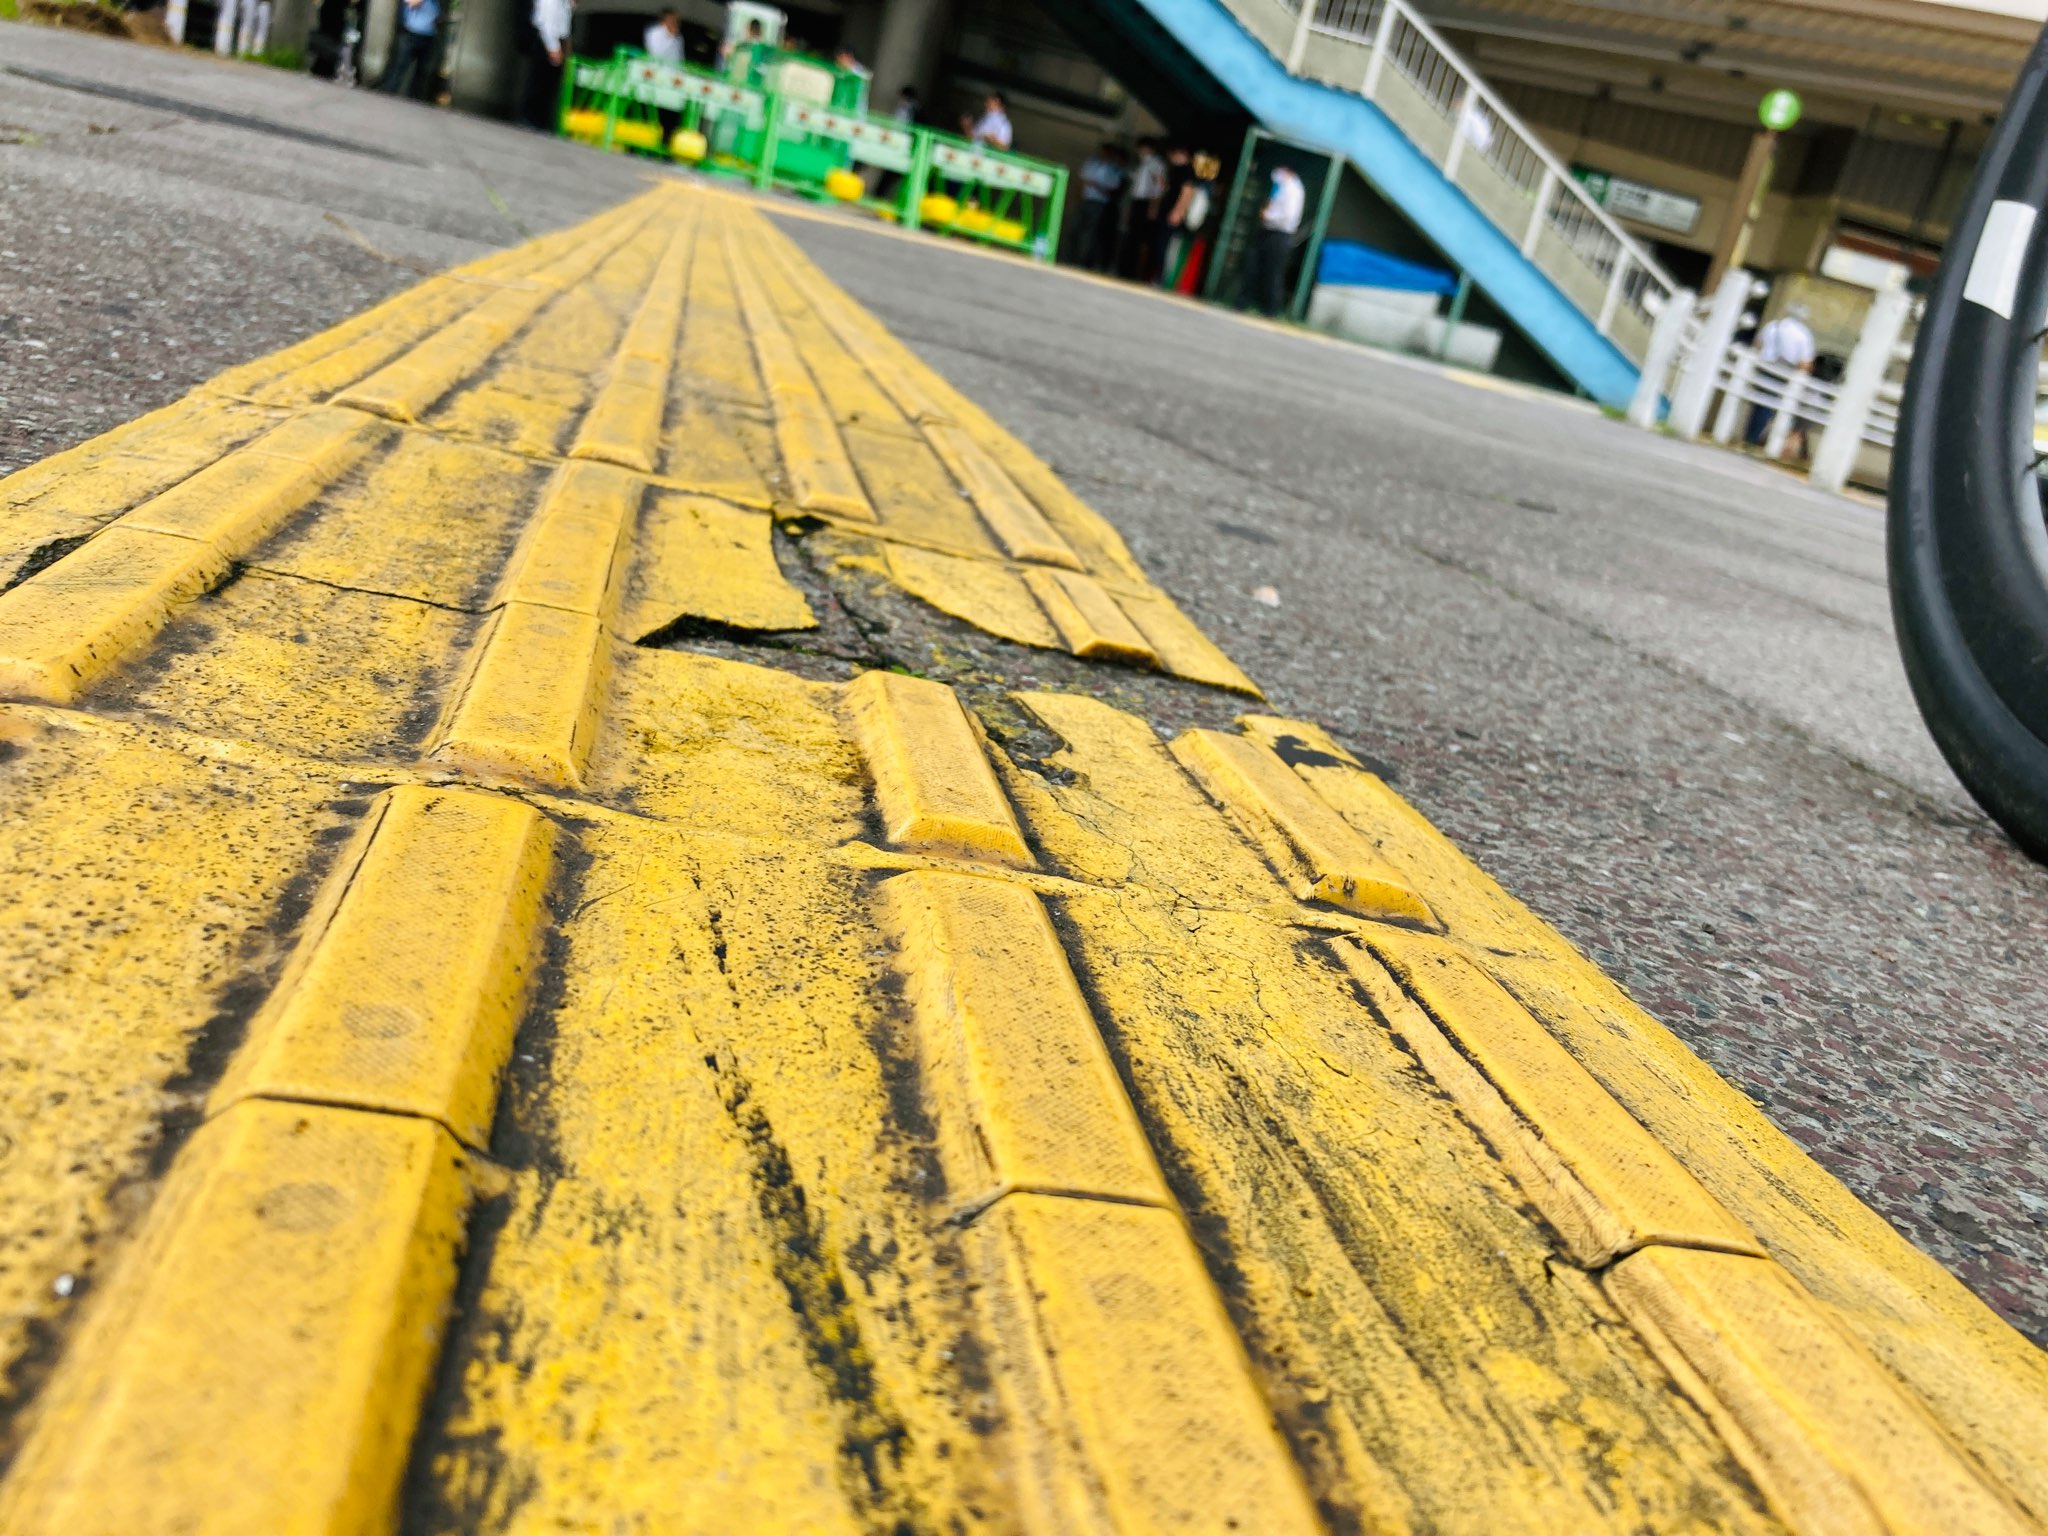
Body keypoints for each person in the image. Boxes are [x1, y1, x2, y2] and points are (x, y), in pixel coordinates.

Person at [1747, 302, 1818, 452]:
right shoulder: (1803, 334)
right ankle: (1756, 440)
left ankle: (1750, 437)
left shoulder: (1773, 325)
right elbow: (1805, 363)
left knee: (1759, 405)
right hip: (1783, 374)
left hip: (1764, 368)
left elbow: (1757, 344)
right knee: (1771, 407)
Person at [1237, 163, 1304, 316]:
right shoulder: (1280, 187)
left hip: (1279, 234)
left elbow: (1288, 216)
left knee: (1273, 272)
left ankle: (1270, 309)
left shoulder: (1294, 189)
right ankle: (1243, 302)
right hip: (1266, 231)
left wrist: (1268, 216)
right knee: (1253, 266)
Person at [1162, 150, 1219, 294]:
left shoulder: (1199, 184)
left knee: (1177, 251)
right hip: (1193, 225)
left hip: (1188, 226)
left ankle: (1171, 281)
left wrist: (1178, 212)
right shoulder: (1208, 186)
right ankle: (1174, 282)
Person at [1075, 142, 1126, 272]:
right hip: (1086, 199)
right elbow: (1081, 181)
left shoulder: (1114, 169)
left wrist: (1096, 185)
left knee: (1091, 234)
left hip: (1100, 203)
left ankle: (1085, 261)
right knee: (1077, 229)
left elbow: (1113, 189)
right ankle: (1075, 258)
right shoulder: (1092, 163)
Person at [521, 0, 572, 130]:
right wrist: (553, 48)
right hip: (546, 41)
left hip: (556, 41)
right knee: (539, 81)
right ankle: (529, 117)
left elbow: (565, 28)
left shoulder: (565, 4)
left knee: (550, 83)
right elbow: (547, 27)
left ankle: (540, 119)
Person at [1122, 138, 1165, 278]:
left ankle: (1138, 272)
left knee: (1142, 239)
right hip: (1137, 201)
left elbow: (1157, 187)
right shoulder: (1141, 164)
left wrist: (1153, 207)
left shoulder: (1155, 164)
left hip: (1147, 202)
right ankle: (1127, 268)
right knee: (1131, 236)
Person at [379, 0, 438, 98]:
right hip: (413, 33)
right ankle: (388, 93)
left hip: (428, 35)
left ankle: (414, 97)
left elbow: (436, 15)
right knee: (400, 66)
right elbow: (413, 3)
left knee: (422, 71)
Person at [1153, 145, 1192, 283]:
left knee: (1166, 246)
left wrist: (1178, 211)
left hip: (1173, 213)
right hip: (1166, 210)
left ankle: (1163, 278)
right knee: (1160, 243)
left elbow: (1187, 193)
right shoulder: (1176, 170)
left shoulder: (1187, 171)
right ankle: (1159, 275)